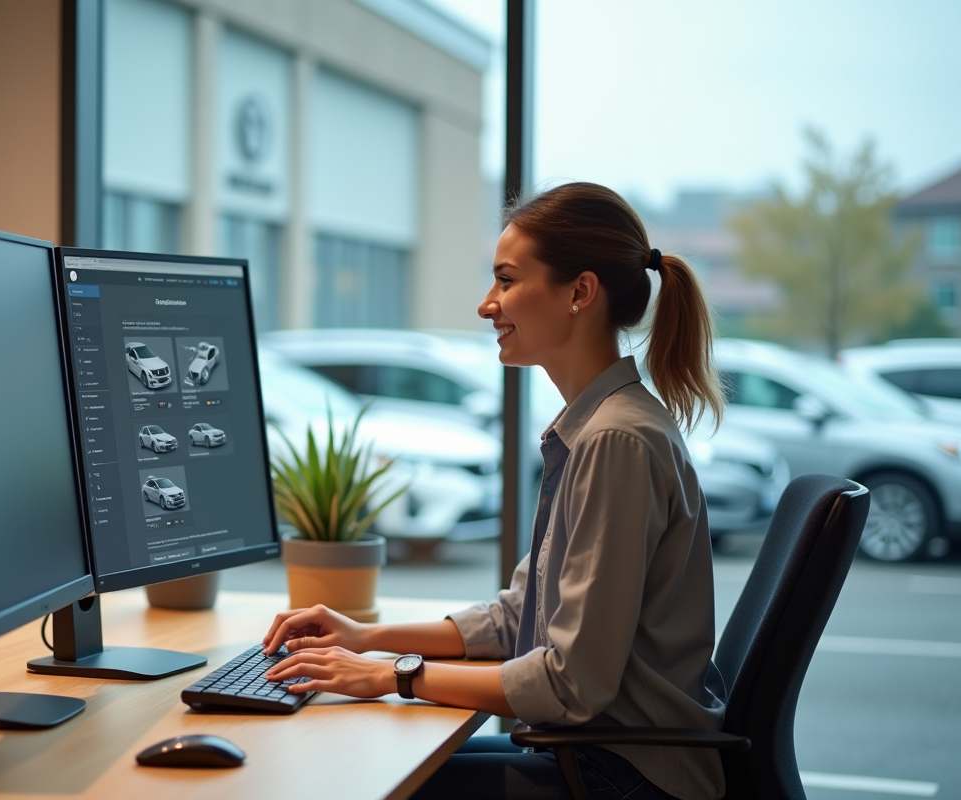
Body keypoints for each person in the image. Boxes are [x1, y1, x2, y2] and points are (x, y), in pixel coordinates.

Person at [263, 182, 728, 800]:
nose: (488, 305)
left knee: (350, 775)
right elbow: (518, 619)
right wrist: (365, 637)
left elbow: (571, 683)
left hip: (622, 776)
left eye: (507, 280)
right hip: (594, 756)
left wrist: (390, 676)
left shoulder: (616, 441)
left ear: (579, 293)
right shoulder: (596, 427)